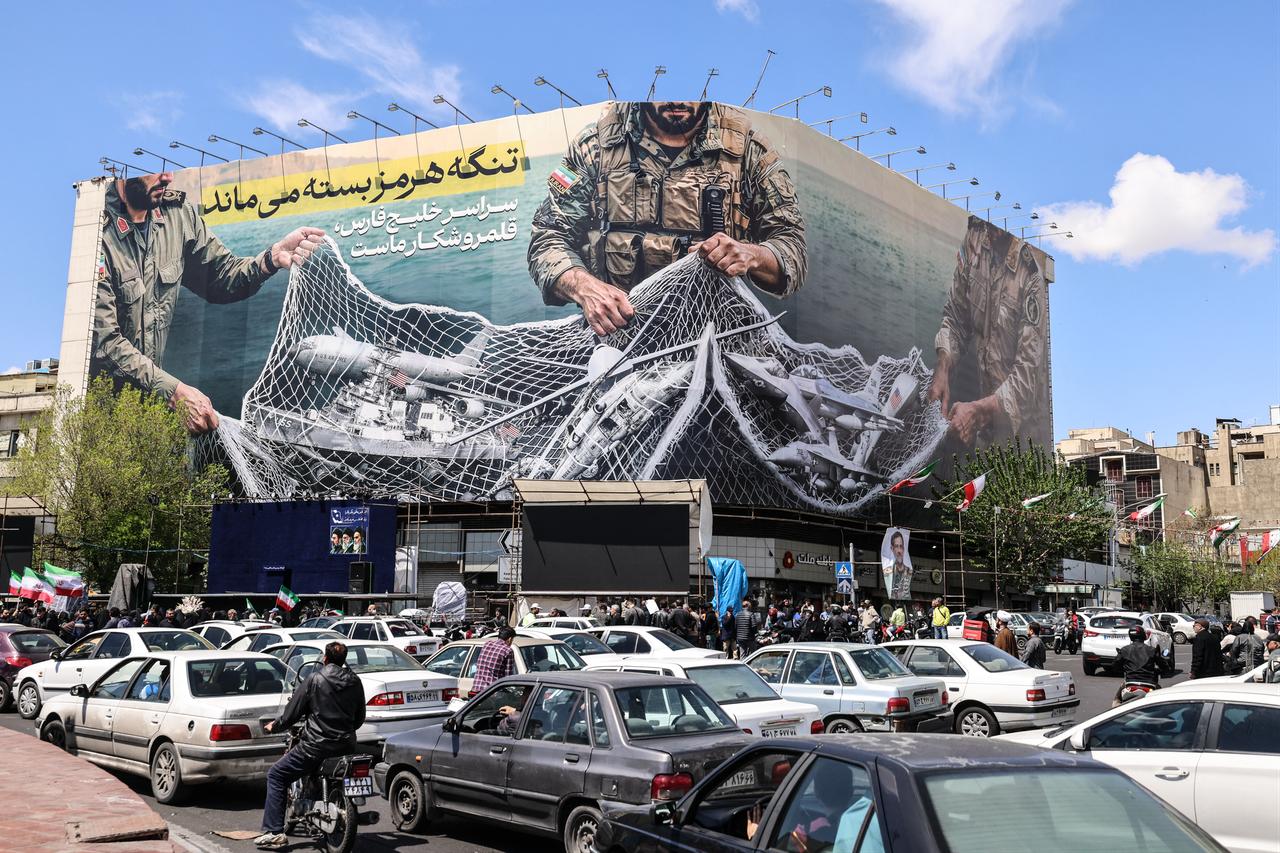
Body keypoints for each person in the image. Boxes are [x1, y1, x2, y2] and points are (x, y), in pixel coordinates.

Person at [527, 101, 807, 336]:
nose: (678, 103)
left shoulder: (749, 149)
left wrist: (752, 254)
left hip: (716, 334)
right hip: (617, 335)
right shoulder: (595, 146)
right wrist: (584, 287)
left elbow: (792, 248)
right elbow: (547, 235)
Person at [94, 171, 324, 434]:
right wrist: (175, 392)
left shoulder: (178, 215)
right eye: (157, 170)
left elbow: (221, 277)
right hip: (102, 418)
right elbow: (105, 343)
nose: (168, 177)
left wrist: (270, 259)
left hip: (151, 412)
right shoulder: (96, 231)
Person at [927, 216, 1049, 445]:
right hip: (984, 434)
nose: (990, 230)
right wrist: (943, 367)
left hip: (1024, 442)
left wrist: (978, 411)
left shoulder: (1030, 275)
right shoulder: (974, 239)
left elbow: (1026, 377)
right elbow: (955, 317)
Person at [254, 641, 364, 849]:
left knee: (276, 775)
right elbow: (359, 718)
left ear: (325, 658)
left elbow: (292, 713)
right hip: (346, 745)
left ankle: (274, 831)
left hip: (316, 746)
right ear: (344, 659)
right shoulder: (355, 681)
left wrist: (274, 726)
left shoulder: (315, 679)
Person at [471, 627, 517, 695]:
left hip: (477, 689)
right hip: (492, 692)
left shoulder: (487, 644)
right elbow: (508, 676)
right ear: (510, 639)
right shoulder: (508, 650)